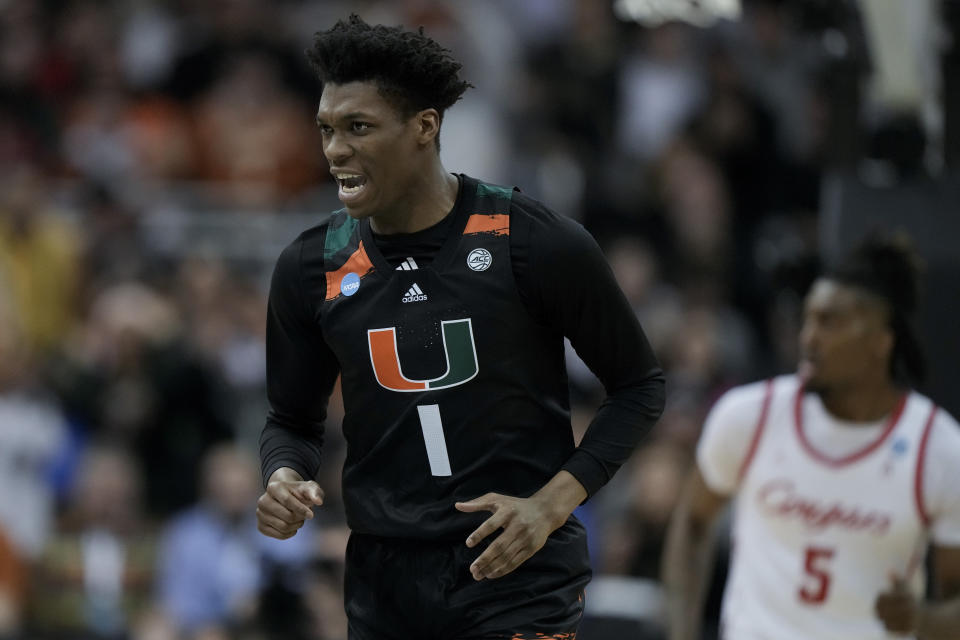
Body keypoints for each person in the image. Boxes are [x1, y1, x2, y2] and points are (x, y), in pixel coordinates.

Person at [255, 15, 665, 640]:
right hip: (384, 581)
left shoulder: (530, 239)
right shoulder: (310, 266)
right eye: (327, 129)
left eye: (358, 127)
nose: (335, 149)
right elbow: (292, 422)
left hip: (519, 570)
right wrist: (284, 476)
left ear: (426, 126)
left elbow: (639, 387)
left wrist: (551, 504)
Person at [663, 234, 960, 640]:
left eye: (831, 322)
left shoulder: (938, 447)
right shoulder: (749, 415)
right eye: (809, 319)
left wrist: (924, 622)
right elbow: (692, 523)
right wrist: (681, 632)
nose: (810, 338)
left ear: (881, 341)